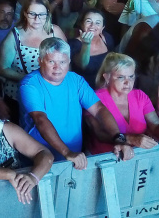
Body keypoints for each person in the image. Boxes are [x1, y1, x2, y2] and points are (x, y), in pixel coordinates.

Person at [20, 38, 135, 167]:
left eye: (62, 62)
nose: (57, 67)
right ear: (40, 61)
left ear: (69, 61)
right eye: (51, 61)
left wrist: (118, 137)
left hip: (74, 156)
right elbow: (40, 119)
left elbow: (98, 109)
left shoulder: (76, 80)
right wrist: (67, 152)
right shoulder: (30, 84)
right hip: (40, 158)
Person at [86, 53, 159, 155]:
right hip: (107, 157)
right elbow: (99, 134)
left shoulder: (139, 96)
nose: (127, 82)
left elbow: (155, 124)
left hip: (138, 155)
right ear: (107, 77)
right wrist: (131, 139)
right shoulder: (95, 98)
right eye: (121, 77)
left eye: (131, 76)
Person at [0, 0, 67, 102]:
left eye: (42, 14)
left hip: (50, 92)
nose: (37, 19)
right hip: (19, 95)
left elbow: (66, 61)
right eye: (32, 14)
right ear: (25, 13)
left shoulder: (56, 32)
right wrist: (30, 79)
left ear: (47, 14)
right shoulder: (15, 36)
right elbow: (3, 68)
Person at [69, 9, 115, 85]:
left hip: (104, 85)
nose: (93, 26)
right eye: (88, 21)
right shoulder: (74, 44)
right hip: (84, 86)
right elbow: (83, 65)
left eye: (98, 23)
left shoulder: (107, 38)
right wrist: (86, 44)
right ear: (81, 24)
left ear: (102, 28)